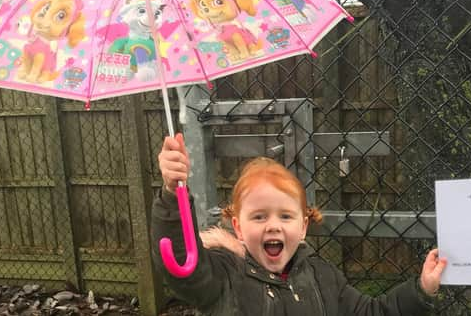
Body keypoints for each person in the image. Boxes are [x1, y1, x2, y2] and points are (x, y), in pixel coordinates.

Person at [151, 133, 447, 315]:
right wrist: (171, 191)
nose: (273, 226)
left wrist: (421, 290)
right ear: (238, 227)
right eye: (258, 216)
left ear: (303, 226)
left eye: (286, 216)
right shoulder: (223, 275)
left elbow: (373, 313)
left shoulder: (323, 278)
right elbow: (183, 268)